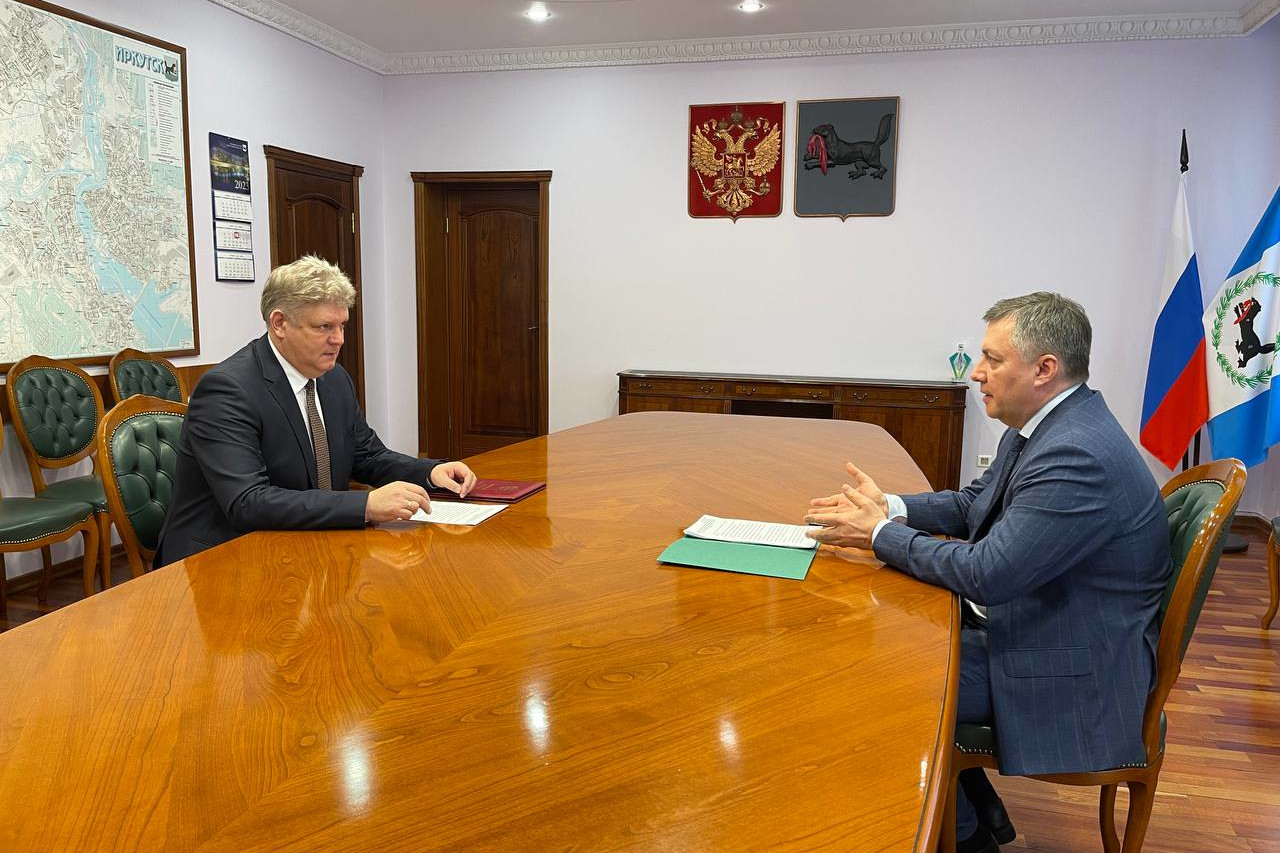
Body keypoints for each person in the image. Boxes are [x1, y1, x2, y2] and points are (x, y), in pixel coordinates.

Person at [804, 293, 1170, 853]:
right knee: (884, 646)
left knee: (879, 685)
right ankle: (973, 810)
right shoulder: (1047, 425)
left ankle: (964, 837)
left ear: (1044, 368)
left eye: (993, 359)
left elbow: (988, 574)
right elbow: (974, 503)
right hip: (1042, 628)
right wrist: (891, 507)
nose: (976, 372)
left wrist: (879, 535)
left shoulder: (1076, 454)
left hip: (1074, 672)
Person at [154, 255, 476, 567]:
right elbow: (248, 501)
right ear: (279, 323)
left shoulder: (333, 378)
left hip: (304, 542)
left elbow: (366, 455)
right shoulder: (227, 390)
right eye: (324, 327)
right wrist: (365, 505)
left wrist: (430, 472)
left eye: (342, 325)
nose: (339, 340)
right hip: (223, 557)